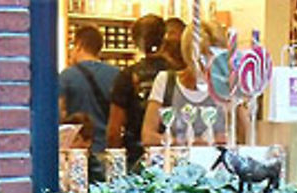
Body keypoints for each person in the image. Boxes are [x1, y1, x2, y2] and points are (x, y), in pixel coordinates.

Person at [140, 21, 244, 148]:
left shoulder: (226, 86)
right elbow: (148, 136)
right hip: (176, 164)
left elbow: (245, 134)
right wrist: (195, 142)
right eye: (202, 59)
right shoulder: (165, 81)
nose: (208, 66)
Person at [106, 15, 167, 170]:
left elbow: (115, 128)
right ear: (164, 37)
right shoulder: (175, 74)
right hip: (169, 150)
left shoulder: (127, 76)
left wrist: (115, 166)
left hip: (136, 154)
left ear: (135, 41)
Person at [59, 25, 119, 180]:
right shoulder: (117, 75)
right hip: (108, 151)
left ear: (78, 46)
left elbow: (59, 114)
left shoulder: (66, 77)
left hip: (79, 152)